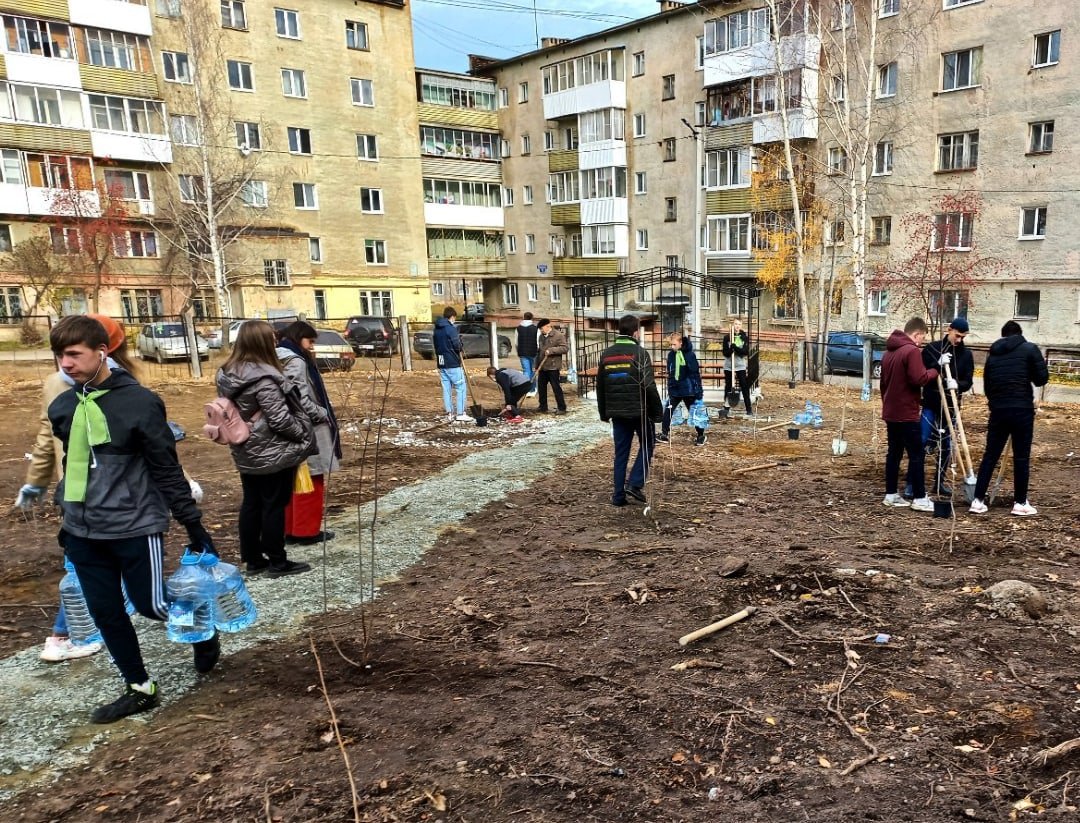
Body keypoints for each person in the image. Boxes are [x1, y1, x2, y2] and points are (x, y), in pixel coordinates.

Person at [47, 315, 217, 723]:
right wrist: (65, 518)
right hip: (83, 531)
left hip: (134, 524)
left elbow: (166, 469)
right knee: (105, 611)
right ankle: (140, 687)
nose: (64, 364)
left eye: (74, 354)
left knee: (152, 605)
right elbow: (75, 464)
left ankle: (201, 626)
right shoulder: (64, 406)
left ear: (101, 352)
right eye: (59, 356)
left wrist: (193, 526)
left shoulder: (140, 403)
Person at [17, 314, 136, 663]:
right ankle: (61, 634)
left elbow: (44, 437)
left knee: (103, 559)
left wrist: (36, 480)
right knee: (84, 563)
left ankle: (122, 612)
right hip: (98, 486)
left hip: (81, 486)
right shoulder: (102, 380)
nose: (68, 362)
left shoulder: (61, 380)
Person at [216, 320, 317, 578]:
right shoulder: (264, 377)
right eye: (272, 338)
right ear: (262, 342)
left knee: (252, 503)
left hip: (244, 446)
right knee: (274, 504)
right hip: (272, 450)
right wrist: (301, 434)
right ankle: (277, 561)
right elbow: (279, 419)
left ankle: (253, 559)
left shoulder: (226, 373)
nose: (276, 342)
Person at [969, 321, 1049, 517]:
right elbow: (1041, 378)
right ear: (1019, 334)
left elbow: (987, 386)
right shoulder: (1030, 349)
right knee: (1021, 457)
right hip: (1022, 409)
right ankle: (1020, 502)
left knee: (990, 455)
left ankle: (977, 500)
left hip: (998, 411)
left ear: (1003, 335)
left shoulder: (993, 354)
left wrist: (996, 403)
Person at [276, 321, 341, 546]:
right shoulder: (295, 361)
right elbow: (299, 398)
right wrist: (322, 413)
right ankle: (306, 531)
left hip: (287, 428)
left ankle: (290, 529)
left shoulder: (276, 357)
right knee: (311, 478)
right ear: (298, 338)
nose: (312, 346)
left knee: (293, 480)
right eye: (309, 341)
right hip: (307, 429)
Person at [596, 315, 663, 506]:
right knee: (648, 444)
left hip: (617, 413)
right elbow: (649, 385)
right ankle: (634, 483)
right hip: (640, 412)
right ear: (635, 332)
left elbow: (600, 386)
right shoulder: (640, 353)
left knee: (621, 453)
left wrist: (604, 412)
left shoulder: (606, 354)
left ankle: (618, 497)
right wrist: (658, 413)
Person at [880, 317, 940, 512]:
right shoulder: (911, 351)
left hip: (892, 412)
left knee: (894, 453)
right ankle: (920, 497)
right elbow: (919, 378)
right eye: (922, 338)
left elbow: (884, 385)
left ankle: (891, 494)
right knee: (916, 454)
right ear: (917, 334)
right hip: (906, 413)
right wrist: (935, 369)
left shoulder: (889, 352)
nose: (921, 343)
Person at [918, 317, 973, 495]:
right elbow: (922, 374)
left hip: (951, 406)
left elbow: (968, 381)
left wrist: (957, 384)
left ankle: (939, 482)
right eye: (957, 336)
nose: (959, 340)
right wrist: (937, 364)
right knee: (922, 440)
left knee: (947, 446)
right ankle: (913, 482)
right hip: (931, 403)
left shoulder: (966, 355)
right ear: (949, 330)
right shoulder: (932, 349)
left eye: (962, 337)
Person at [658, 331, 706, 447]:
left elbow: (695, 373)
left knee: (694, 412)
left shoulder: (690, 355)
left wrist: (698, 390)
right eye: (671, 345)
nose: (672, 347)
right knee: (668, 410)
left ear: (680, 343)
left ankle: (701, 435)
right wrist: (670, 386)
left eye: (674, 344)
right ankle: (664, 433)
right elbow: (671, 372)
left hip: (688, 389)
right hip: (676, 389)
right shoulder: (671, 355)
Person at [433, 307, 471, 423]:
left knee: (446, 388)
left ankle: (449, 413)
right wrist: (460, 344)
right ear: (452, 317)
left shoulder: (437, 329)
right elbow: (457, 346)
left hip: (441, 361)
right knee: (460, 387)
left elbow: (436, 345)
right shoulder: (450, 329)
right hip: (452, 362)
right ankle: (460, 413)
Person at [535, 318, 568, 415]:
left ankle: (562, 408)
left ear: (547, 326)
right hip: (543, 366)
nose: (541, 331)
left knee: (556, 387)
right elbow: (539, 352)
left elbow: (565, 348)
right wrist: (536, 365)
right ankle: (543, 406)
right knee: (541, 387)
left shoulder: (558, 335)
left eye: (542, 328)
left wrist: (552, 350)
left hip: (553, 367)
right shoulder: (541, 337)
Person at [722, 319, 753, 417]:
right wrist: (730, 349)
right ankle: (726, 409)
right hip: (729, 366)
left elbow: (745, 352)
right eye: (735, 324)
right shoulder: (727, 338)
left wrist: (736, 348)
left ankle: (749, 409)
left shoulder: (744, 337)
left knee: (744, 386)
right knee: (728, 387)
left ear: (741, 326)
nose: (737, 326)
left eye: (739, 324)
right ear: (732, 325)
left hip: (740, 366)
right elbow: (725, 353)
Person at [516, 312, 539, 390]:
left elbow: (516, 342)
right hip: (533, 352)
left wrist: (518, 351)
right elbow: (538, 342)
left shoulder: (518, 328)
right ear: (532, 318)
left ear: (523, 317)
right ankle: (533, 388)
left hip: (522, 352)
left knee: (526, 371)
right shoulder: (536, 328)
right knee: (533, 370)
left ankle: (526, 389)